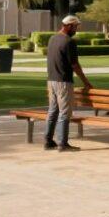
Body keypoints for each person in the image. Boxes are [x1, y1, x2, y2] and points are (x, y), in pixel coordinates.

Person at [45, 15, 92, 152]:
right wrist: (86, 83)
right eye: (75, 27)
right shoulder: (69, 42)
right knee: (65, 113)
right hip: (64, 81)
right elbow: (75, 65)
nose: (76, 30)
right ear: (69, 26)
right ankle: (62, 144)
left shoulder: (52, 38)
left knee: (53, 111)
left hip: (51, 80)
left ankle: (48, 141)